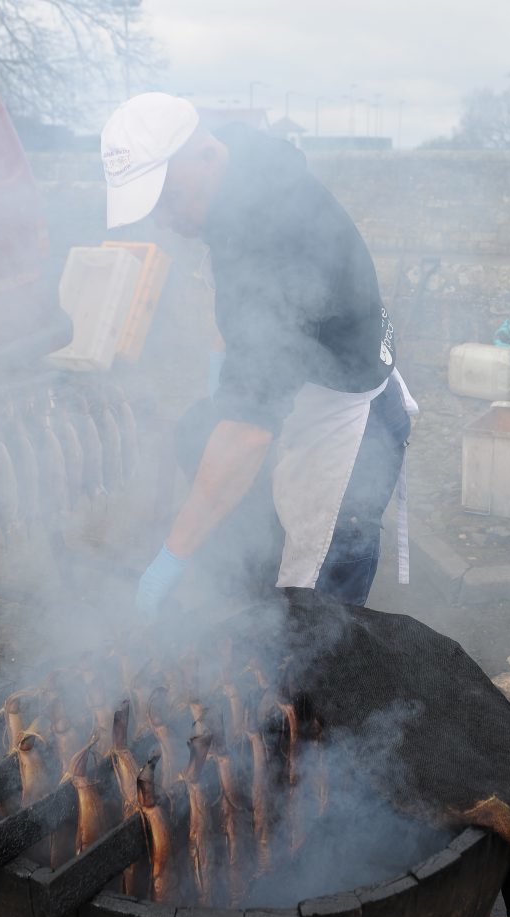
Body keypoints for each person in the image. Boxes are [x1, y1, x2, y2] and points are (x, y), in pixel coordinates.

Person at [100, 92, 416, 615]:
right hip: (313, 374)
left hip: (344, 411)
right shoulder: (241, 165)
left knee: (317, 602)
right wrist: (226, 372)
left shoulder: (271, 241)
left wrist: (171, 559)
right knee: (205, 440)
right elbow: (240, 314)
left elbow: (248, 428)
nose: (162, 219)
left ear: (204, 156)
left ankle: (331, 690)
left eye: (167, 198)